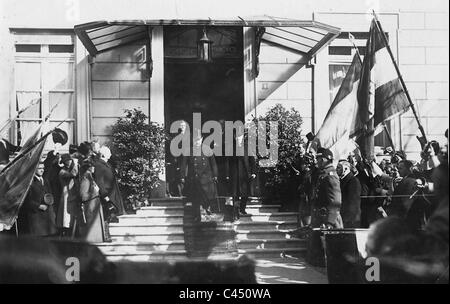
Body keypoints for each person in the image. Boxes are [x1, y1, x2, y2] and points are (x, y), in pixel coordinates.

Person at [180, 133, 219, 222]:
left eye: (198, 140)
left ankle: (207, 210)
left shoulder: (207, 149)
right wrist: (182, 176)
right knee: (195, 199)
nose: (197, 142)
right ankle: (197, 215)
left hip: (206, 178)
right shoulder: (188, 150)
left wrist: (215, 175)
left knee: (207, 196)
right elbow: (183, 164)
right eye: (195, 140)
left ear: (202, 139)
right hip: (194, 178)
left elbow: (213, 164)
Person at [18, 161, 57, 237]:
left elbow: (50, 194)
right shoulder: (29, 182)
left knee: (48, 238)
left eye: (43, 168)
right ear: (34, 169)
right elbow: (25, 200)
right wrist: (38, 206)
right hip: (36, 217)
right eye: (39, 168)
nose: (42, 170)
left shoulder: (45, 181)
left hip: (48, 216)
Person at [310, 148, 343, 229]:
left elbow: (335, 201)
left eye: (318, 159)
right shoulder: (324, 174)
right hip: (322, 219)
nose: (316, 162)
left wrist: (330, 222)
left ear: (323, 160)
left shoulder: (330, 176)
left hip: (329, 221)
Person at [93, 146, 125, 223]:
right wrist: (105, 196)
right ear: (103, 155)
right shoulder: (99, 165)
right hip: (107, 195)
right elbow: (99, 182)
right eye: (108, 153)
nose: (110, 154)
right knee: (108, 217)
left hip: (112, 193)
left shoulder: (106, 164)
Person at [79, 159, 107, 243]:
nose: (94, 167)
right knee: (93, 233)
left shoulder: (90, 177)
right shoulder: (85, 179)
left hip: (95, 206)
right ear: (88, 167)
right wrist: (95, 193)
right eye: (92, 166)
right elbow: (83, 196)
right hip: (91, 207)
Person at [56, 153, 80, 237]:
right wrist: (76, 164)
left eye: (69, 160)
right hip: (66, 193)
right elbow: (73, 174)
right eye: (66, 161)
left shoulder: (70, 168)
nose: (69, 162)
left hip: (72, 193)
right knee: (66, 213)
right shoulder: (62, 171)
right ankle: (66, 230)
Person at [336, 160, 361, 228]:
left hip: (350, 219)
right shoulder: (341, 181)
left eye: (338, 167)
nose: (336, 169)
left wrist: (347, 220)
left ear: (346, 168)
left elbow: (353, 203)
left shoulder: (353, 181)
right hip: (344, 218)